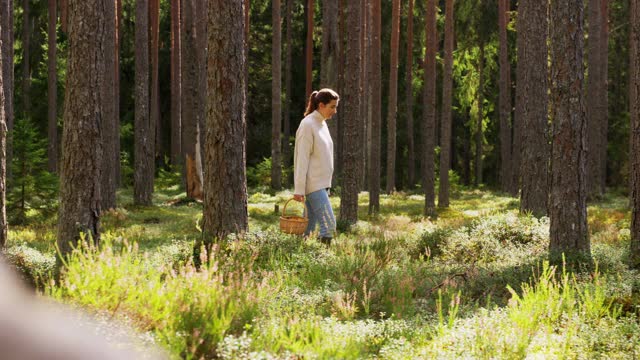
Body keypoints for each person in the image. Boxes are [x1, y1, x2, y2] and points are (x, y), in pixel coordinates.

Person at [293, 88, 340, 245]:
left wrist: (327, 185)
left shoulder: (322, 124)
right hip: (313, 185)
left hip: (322, 185)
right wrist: (299, 189)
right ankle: (323, 262)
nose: (335, 111)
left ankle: (299, 259)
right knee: (329, 226)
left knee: (308, 229)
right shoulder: (307, 124)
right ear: (321, 105)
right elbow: (301, 159)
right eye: (332, 106)